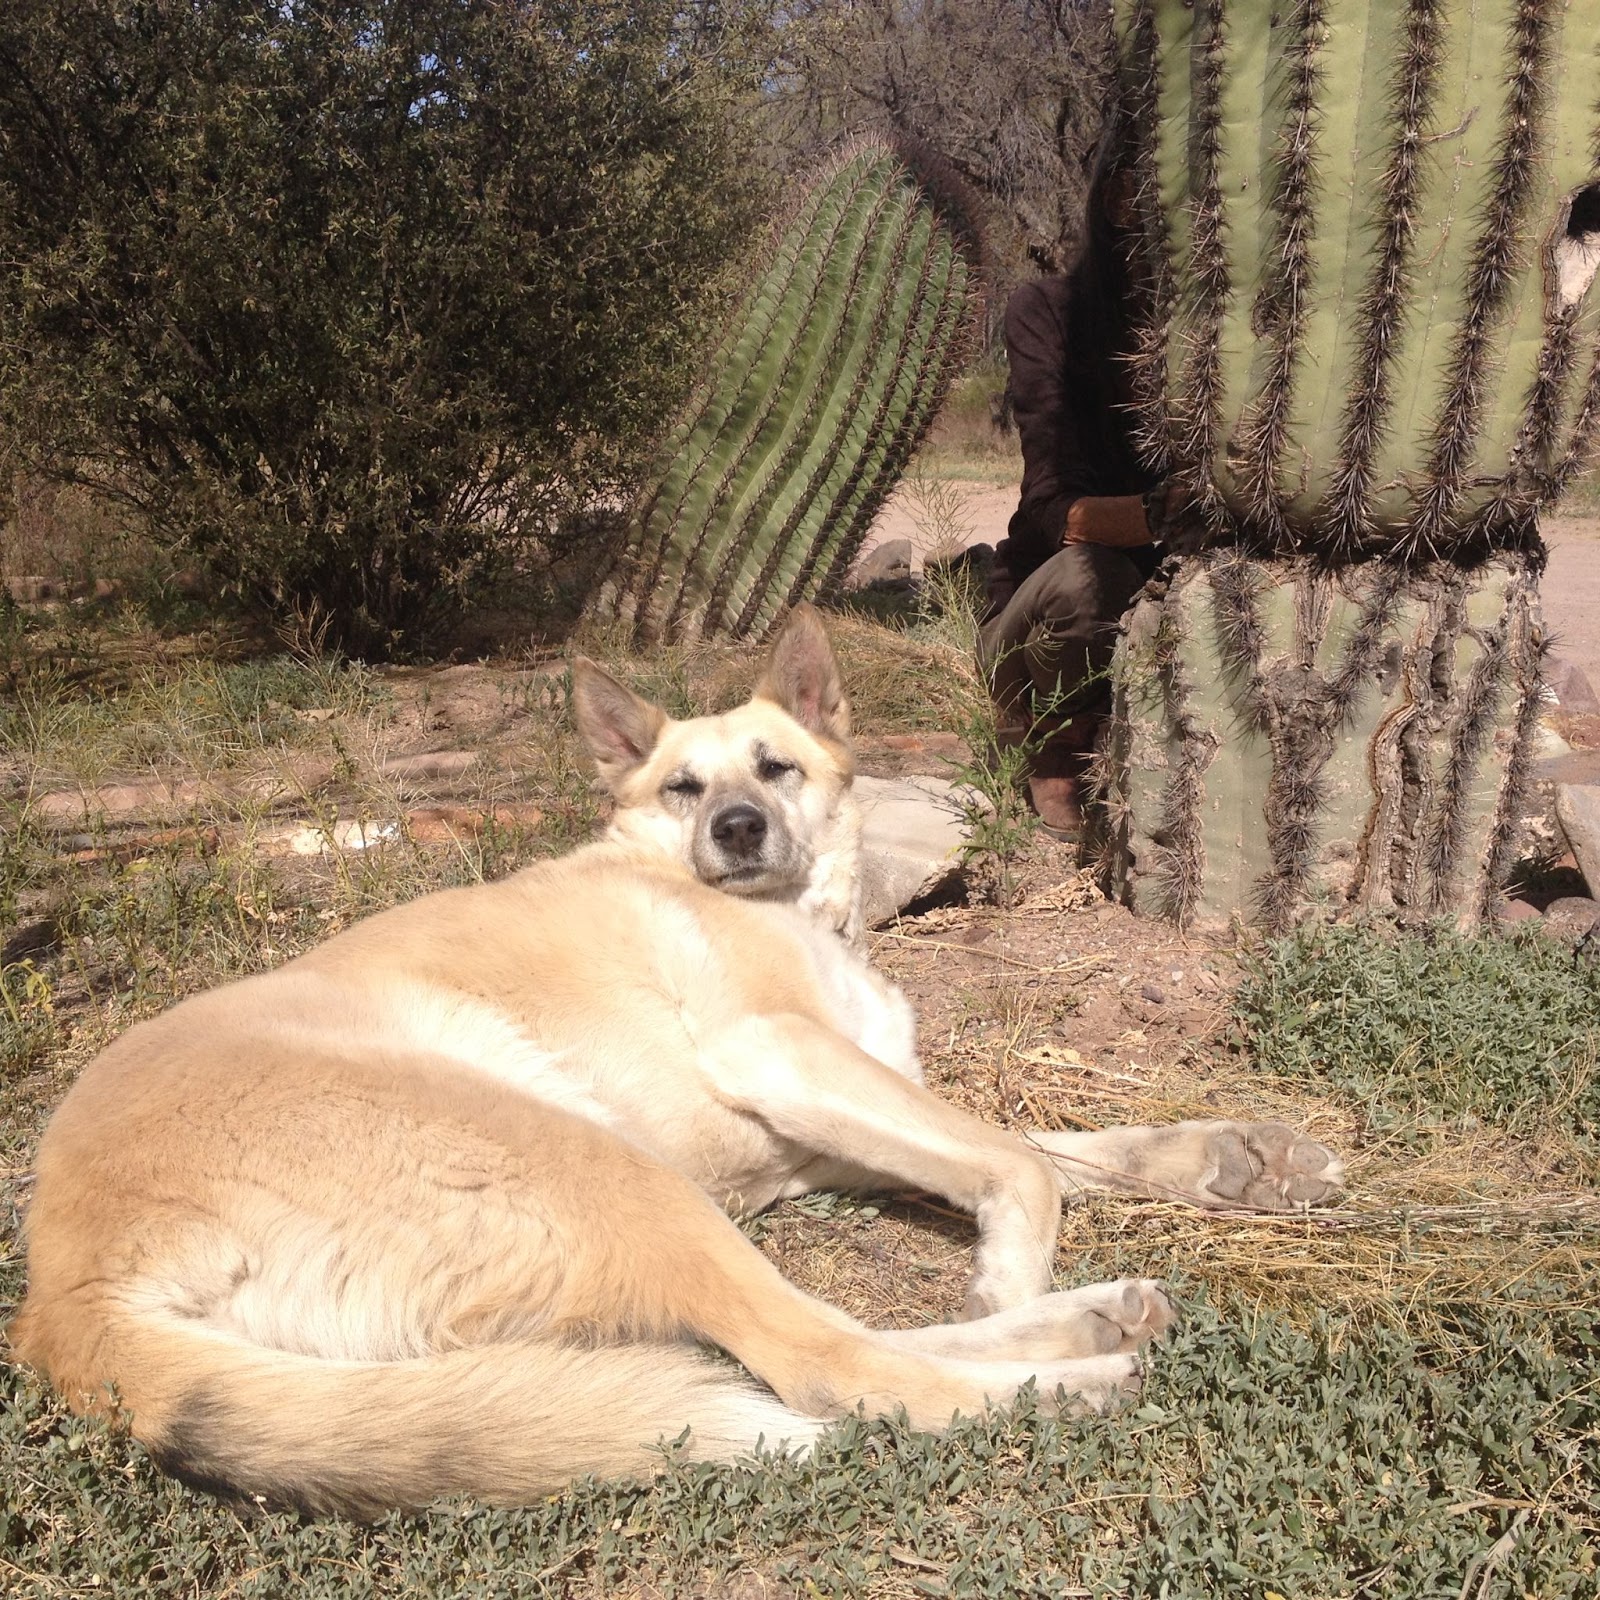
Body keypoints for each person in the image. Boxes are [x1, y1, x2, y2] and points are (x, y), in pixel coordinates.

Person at [978, 152, 1179, 840]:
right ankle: (1057, 747)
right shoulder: (1047, 311)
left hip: (1161, 615)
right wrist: (1180, 517)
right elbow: (1049, 512)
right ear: (1116, 200)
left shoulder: (1214, 341)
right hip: (1039, 635)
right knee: (1088, 580)